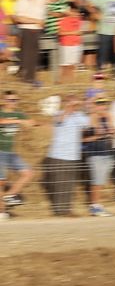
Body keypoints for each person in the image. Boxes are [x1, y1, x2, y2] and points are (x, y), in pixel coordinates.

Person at [43, 95, 90, 216]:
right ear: (65, 103)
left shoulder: (79, 115)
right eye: (70, 102)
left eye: (74, 102)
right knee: (59, 184)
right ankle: (60, 211)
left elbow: (88, 123)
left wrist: (84, 105)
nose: (73, 104)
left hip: (73, 156)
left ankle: (66, 209)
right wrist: (69, 108)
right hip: (59, 155)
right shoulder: (58, 114)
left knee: (69, 184)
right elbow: (60, 120)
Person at [0, 91, 37, 219]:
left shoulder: (18, 113)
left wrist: (31, 122)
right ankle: (1, 211)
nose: (13, 102)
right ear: (4, 101)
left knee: (29, 173)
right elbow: (1, 121)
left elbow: (31, 122)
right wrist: (20, 121)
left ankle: (8, 197)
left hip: (10, 153)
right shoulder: (2, 112)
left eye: (15, 100)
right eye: (10, 100)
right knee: (1, 182)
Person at [82, 93, 114, 216]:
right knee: (96, 181)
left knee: (100, 181)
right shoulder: (91, 117)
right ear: (94, 105)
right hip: (95, 153)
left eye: (104, 103)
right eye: (99, 104)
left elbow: (110, 131)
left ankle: (98, 205)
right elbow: (84, 138)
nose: (102, 106)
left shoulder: (107, 117)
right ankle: (95, 206)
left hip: (106, 152)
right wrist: (98, 135)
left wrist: (109, 121)